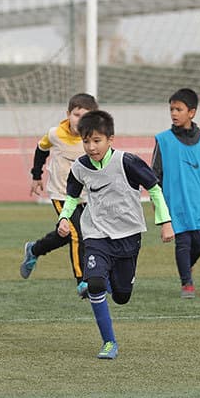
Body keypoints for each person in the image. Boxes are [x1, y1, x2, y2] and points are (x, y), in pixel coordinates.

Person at [55, 110, 174, 359]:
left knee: (121, 297)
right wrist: (64, 217)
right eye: (86, 141)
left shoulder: (126, 162)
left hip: (128, 236)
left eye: (96, 141)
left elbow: (154, 187)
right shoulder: (80, 167)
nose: (91, 147)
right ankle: (109, 342)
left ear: (111, 139)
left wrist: (165, 222)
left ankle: (104, 281)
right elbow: (72, 197)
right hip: (96, 234)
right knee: (95, 283)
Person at [20, 93, 98, 299]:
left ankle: (34, 249)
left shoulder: (94, 137)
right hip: (61, 194)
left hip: (85, 196)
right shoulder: (55, 134)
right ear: (68, 114)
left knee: (65, 235)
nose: (80, 119)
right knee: (77, 234)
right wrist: (36, 176)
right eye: (76, 114)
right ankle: (83, 282)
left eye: (85, 115)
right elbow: (41, 148)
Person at [151, 88, 200, 299]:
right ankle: (186, 284)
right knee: (183, 241)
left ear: (191, 112)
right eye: (171, 109)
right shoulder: (163, 140)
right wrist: (157, 198)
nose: (173, 113)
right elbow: (155, 171)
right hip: (176, 200)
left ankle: (186, 267)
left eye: (178, 109)